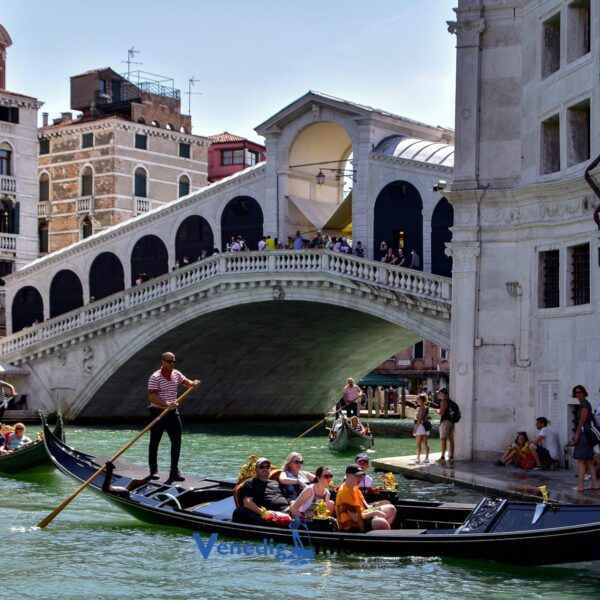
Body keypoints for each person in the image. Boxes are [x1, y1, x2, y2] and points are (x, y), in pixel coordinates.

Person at [147, 351, 200, 483]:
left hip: (172, 413)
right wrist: (166, 404)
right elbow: (152, 396)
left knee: (176, 441)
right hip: (157, 411)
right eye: (169, 361)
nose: (172, 364)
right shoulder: (155, 377)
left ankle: (174, 471)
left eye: (173, 361)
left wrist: (193, 383)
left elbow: (186, 383)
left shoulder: (176, 374)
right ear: (162, 362)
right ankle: (153, 470)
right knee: (155, 441)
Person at [335, 464, 396, 532]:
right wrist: (375, 513)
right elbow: (355, 518)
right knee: (382, 523)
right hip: (352, 523)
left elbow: (365, 506)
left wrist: (374, 509)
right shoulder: (344, 492)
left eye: (361, 476)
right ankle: (385, 536)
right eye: (357, 476)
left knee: (391, 509)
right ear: (347, 475)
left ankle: (380, 533)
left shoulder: (355, 487)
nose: (360, 478)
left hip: (363, 514)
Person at [233, 457, 291, 524]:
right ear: (256, 469)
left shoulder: (275, 482)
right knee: (239, 511)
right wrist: (264, 513)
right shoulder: (250, 482)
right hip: (269, 515)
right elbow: (247, 503)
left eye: (267, 467)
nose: (265, 469)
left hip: (287, 510)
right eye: (262, 467)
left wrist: (292, 504)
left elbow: (287, 498)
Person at [571, 385, 598, 492]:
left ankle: (580, 486)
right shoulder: (584, 404)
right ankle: (594, 484)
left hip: (584, 436)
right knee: (589, 461)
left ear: (584, 392)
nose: (579, 394)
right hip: (586, 435)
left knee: (581, 461)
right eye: (576, 392)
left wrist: (576, 435)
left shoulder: (585, 405)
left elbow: (581, 422)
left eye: (580, 392)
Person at [436, 388, 455, 465]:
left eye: (440, 393)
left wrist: (437, 411)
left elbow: (441, 413)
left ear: (445, 394)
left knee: (443, 439)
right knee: (451, 439)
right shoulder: (451, 402)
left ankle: (442, 458)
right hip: (451, 422)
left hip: (445, 422)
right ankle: (451, 457)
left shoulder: (443, 402)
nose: (439, 395)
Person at [411, 393, 430, 465]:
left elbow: (419, 419)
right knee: (425, 443)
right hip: (424, 427)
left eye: (418, 398)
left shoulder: (421, 407)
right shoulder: (424, 407)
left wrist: (415, 428)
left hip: (420, 426)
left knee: (418, 443)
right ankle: (426, 458)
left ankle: (418, 458)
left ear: (421, 400)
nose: (417, 400)